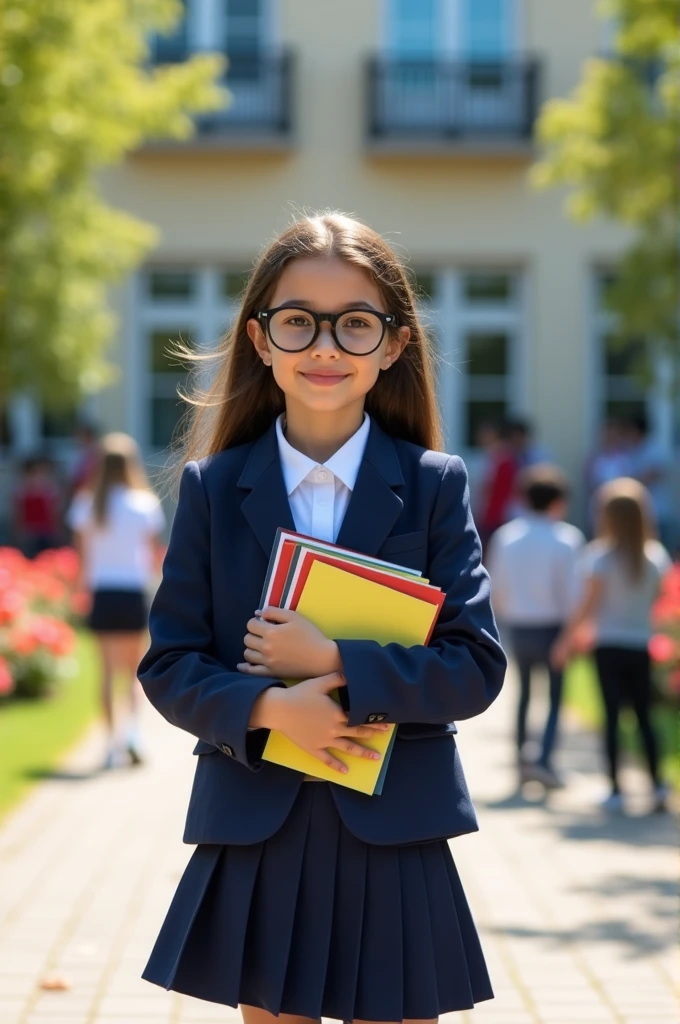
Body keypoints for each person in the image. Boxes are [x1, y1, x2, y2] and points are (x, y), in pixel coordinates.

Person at [137, 212, 507, 1023]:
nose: (326, 347)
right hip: (258, 822)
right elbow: (168, 666)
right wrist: (273, 708)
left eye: (355, 324)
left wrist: (337, 660)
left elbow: (475, 667)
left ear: (394, 344)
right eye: (299, 322)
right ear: (262, 340)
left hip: (394, 820)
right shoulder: (211, 487)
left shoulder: (434, 483)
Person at [551, 478, 671, 813]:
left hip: (607, 645)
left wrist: (566, 641)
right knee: (645, 716)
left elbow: (587, 607)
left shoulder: (600, 558)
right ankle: (658, 785)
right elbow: (657, 600)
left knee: (613, 716)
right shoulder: (655, 557)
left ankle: (617, 788)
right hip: (640, 644)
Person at [67, 433, 166, 769]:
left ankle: (112, 742)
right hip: (133, 592)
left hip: (103, 593)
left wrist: (77, 591)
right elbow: (154, 556)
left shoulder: (86, 504)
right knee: (134, 670)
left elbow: (81, 558)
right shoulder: (143, 504)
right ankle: (134, 734)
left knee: (107, 673)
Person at [488, 465, 585, 789]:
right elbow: (573, 594)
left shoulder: (506, 536)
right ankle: (544, 760)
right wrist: (570, 636)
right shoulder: (567, 539)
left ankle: (521, 761)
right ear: (558, 502)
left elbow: (494, 586)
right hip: (553, 626)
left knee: (524, 695)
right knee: (555, 698)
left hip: (517, 624)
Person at [622, 413, 675, 554]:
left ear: (638, 431)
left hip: (657, 511)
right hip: (637, 514)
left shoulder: (654, 449)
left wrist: (628, 484)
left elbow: (652, 475)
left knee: (658, 550)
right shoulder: (629, 450)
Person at [475, 419, 519, 550]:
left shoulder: (499, 457)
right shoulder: (504, 456)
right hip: (500, 513)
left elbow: (488, 488)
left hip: (496, 514)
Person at [12, 453, 63, 556]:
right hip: (29, 531)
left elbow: (54, 512)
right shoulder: (22, 489)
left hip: (46, 530)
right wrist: (18, 532)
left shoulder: (49, 489)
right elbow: (18, 513)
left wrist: (57, 530)